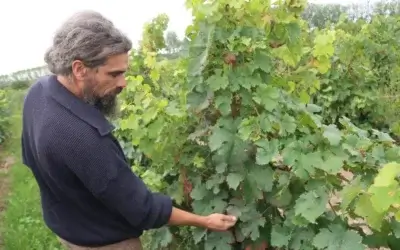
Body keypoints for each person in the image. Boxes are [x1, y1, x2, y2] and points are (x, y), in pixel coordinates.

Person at [21, 10, 237, 250]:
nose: (123, 83)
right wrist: (205, 220)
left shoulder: (38, 93)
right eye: (114, 74)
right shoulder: (84, 138)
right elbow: (142, 209)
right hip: (107, 243)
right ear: (80, 69)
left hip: (68, 230)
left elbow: (30, 159)